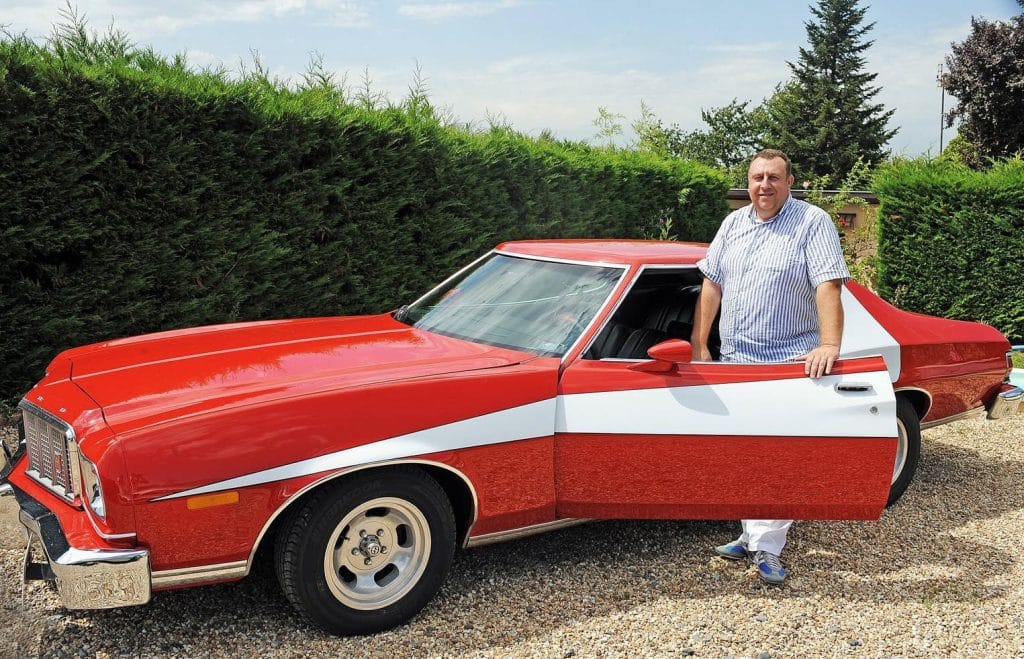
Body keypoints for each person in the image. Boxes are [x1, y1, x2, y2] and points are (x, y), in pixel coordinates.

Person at [689, 148, 850, 585]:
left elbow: (827, 285)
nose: (765, 185)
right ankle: (751, 533)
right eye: (757, 177)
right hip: (736, 362)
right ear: (748, 181)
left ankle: (767, 548)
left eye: (774, 177)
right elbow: (711, 284)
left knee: (776, 459)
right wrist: (700, 345)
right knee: (743, 456)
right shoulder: (733, 223)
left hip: (786, 363)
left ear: (789, 181)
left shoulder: (811, 222)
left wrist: (829, 344)